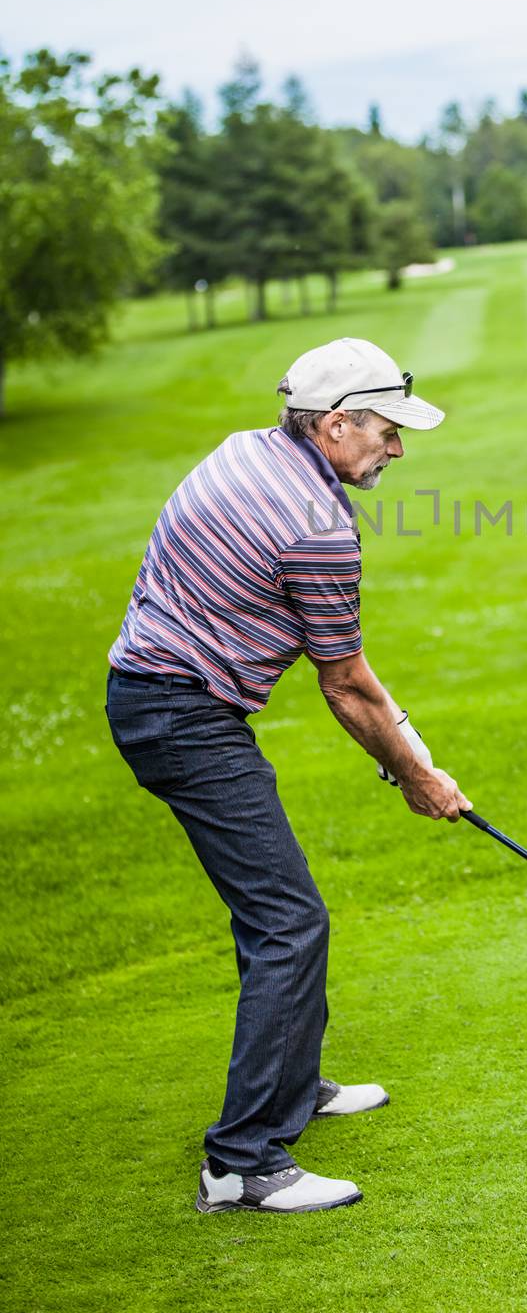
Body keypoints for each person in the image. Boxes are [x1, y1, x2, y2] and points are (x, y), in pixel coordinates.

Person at [105, 337, 471, 1215]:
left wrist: (408, 750)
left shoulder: (247, 448)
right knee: (289, 922)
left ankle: (293, 1091)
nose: (397, 448)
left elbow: (356, 678)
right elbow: (344, 685)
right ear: (334, 423)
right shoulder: (317, 528)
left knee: (277, 916)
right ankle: (241, 1162)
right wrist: (417, 778)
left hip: (159, 694)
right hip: (178, 715)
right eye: (386, 430)